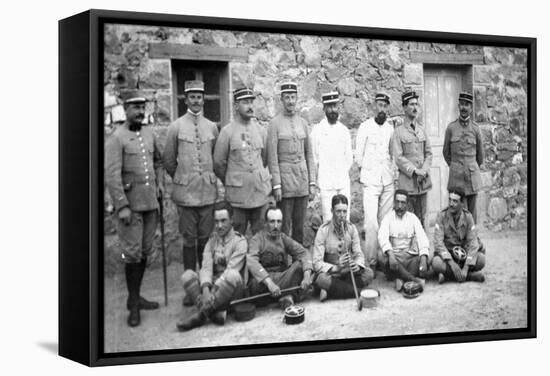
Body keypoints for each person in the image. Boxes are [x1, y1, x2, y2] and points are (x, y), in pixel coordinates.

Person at [105, 92, 163, 327]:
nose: (140, 111)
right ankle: (133, 303)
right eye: (135, 107)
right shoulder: (117, 138)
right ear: (126, 110)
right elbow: (111, 175)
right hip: (130, 208)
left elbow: (158, 161)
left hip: (150, 204)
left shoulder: (149, 134)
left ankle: (136, 296)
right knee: (132, 253)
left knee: (145, 251)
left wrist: (160, 183)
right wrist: (122, 206)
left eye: (142, 107)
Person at [163, 80, 218, 278]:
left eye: (199, 97)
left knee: (205, 239)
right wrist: (182, 178)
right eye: (192, 97)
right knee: (188, 239)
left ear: (203, 100)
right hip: (186, 195)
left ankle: (205, 280)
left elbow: (216, 158)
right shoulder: (175, 127)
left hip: (207, 193)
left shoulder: (211, 127)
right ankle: (190, 284)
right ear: (185, 100)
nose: (196, 101)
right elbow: (168, 160)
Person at [177, 202, 247, 331]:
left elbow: (230, 270)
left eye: (223, 221)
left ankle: (201, 315)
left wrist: (211, 291)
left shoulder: (240, 242)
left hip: (231, 291)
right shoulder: (212, 240)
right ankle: (214, 313)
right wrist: (205, 289)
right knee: (187, 275)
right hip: (212, 289)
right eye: (216, 221)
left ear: (232, 220)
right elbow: (206, 267)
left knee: (232, 275)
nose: (219, 226)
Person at [214, 88, 271, 235]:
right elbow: (219, 163)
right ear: (235, 106)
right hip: (237, 196)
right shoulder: (227, 132)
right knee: (236, 236)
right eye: (245, 102)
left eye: (252, 102)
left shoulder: (261, 130)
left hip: (259, 193)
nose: (250, 106)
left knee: (261, 236)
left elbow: (264, 159)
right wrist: (232, 179)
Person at [267, 82, 316, 244]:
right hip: (285, 184)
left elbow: (309, 155)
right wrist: (277, 185)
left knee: (300, 227)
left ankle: (299, 264)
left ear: (297, 98)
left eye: (293, 97)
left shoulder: (302, 123)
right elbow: (272, 157)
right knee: (285, 226)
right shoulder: (274, 123)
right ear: (281, 99)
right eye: (287, 97)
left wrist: (312, 182)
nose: (290, 101)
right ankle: (284, 263)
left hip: (301, 182)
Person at [354, 92, 395, 269]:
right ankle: (370, 262)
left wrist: (391, 173)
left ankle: (382, 259)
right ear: (374, 107)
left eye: (385, 106)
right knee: (371, 223)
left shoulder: (390, 129)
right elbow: (358, 156)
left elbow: (393, 154)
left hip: (387, 180)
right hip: (370, 181)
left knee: (385, 221)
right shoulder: (365, 127)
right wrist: (368, 170)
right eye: (379, 105)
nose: (382, 109)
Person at [246, 207, 313, 308]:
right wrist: (269, 284)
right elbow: (252, 262)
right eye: (272, 222)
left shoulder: (283, 238)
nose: (276, 226)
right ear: (265, 223)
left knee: (301, 267)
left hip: (283, 277)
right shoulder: (257, 239)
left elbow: (303, 253)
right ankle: (289, 295)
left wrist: (307, 276)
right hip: (264, 282)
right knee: (254, 284)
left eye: (279, 222)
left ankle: (284, 296)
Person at [313, 194, 374, 302]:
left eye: (345, 211)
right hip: (333, 274)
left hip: (348, 273)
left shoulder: (351, 228)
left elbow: (359, 253)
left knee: (369, 273)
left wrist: (357, 265)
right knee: (321, 279)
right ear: (332, 211)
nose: (342, 215)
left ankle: (331, 291)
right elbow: (317, 263)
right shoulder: (323, 230)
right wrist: (336, 267)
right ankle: (359, 292)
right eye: (338, 211)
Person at [311, 91, 353, 222]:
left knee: (345, 221)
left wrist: (340, 173)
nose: (332, 110)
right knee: (329, 222)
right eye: (329, 106)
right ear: (324, 108)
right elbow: (314, 159)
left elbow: (349, 159)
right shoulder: (317, 131)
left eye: (335, 106)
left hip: (343, 183)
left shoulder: (344, 131)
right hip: (326, 185)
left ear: (338, 107)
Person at [392, 90, 433, 227]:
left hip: (423, 183)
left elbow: (429, 153)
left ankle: (423, 247)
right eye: (411, 104)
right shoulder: (398, 132)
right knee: (407, 220)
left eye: (417, 104)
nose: (415, 108)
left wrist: (425, 170)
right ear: (404, 107)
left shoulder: (422, 130)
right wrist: (415, 171)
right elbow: (398, 158)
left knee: (423, 219)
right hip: (408, 183)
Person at [443, 92, 485, 222]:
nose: (464, 107)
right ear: (458, 106)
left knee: (472, 214)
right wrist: (455, 166)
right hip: (456, 177)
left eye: (467, 105)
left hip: (471, 177)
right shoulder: (451, 128)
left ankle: (472, 240)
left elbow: (480, 155)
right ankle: (456, 240)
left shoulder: (476, 129)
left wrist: (470, 166)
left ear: (471, 108)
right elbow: (446, 153)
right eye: (462, 104)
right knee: (455, 210)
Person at [377, 189, 429, 292]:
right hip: (395, 258)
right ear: (394, 203)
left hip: (409, 258)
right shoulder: (388, 218)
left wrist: (423, 258)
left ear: (407, 204)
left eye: (403, 203)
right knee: (381, 256)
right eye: (397, 202)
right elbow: (382, 237)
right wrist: (391, 255)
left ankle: (400, 279)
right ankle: (413, 280)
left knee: (427, 257)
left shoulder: (413, 218)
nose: (400, 206)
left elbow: (422, 237)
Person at [431, 187, 486, 283]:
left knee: (481, 260)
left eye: (455, 201)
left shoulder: (468, 217)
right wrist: (451, 263)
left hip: (463, 255)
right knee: (436, 263)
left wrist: (466, 267)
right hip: (448, 256)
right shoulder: (441, 216)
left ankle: (450, 276)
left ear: (462, 204)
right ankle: (470, 276)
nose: (451, 204)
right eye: (450, 200)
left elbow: (473, 242)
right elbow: (438, 242)